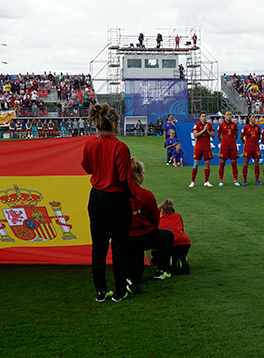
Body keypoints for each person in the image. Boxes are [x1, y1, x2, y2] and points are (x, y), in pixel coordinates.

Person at [81, 103, 133, 303]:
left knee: (99, 247)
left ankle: (101, 291)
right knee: (119, 247)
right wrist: (132, 199)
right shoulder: (120, 147)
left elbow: (87, 168)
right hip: (116, 198)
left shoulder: (90, 145)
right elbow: (124, 179)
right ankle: (120, 291)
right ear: (115, 124)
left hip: (96, 198)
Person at [125, 158, 173, 295]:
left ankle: (129, 279)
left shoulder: (118, 195)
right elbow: (155, 220)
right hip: (146, 236)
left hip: (127, 239)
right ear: (138, 175)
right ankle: (161, 269)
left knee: (136, 275)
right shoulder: (146, 194)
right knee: (168, 236)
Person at [155, 199, 190, 275]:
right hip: (184, 242)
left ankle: (172, 261)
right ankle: (181, 257)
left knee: (168, 251)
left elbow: (158, 238)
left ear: (162, 211)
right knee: (179, 250)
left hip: (172, 244)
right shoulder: (178, 216)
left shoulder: (160, 220)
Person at [190, 112, 214, 188]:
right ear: (200, 118)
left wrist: (207, 131)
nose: (204, 118)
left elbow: (213, 135)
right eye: (202, 116)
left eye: (205, 116)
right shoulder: (197, 125)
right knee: (196, 164)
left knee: (207, 164)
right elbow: (195, 135)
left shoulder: (209, 125)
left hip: (207, 148)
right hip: (198, 147)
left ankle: (206, 181)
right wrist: (203, 130)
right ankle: (192, 181)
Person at [217, 110, 240, 187]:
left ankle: (235, 180)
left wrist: (232, 141)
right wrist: (223, 142)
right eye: (227, 114)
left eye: (230, 114)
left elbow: (236, 135)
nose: (229, 116)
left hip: (233, 147)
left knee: (234, 164)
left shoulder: (234, 125)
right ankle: (221, 180)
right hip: (224, 147)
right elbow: (218, 135)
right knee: (222, 164)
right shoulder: (221, 125)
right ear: (224, 116)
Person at [240, 113, 262, 185]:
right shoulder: (245, 127)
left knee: (256, 164)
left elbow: (258, 137)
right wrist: (246, 143)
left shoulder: (258, 127)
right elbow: (241, 138)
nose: (254, 118)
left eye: (255, 117)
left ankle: (257, 180)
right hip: (248, 148)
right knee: (245, 164)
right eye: (252, 117)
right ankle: (245, 180)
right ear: (249, 118)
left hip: (256, 148)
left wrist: (254, 142)